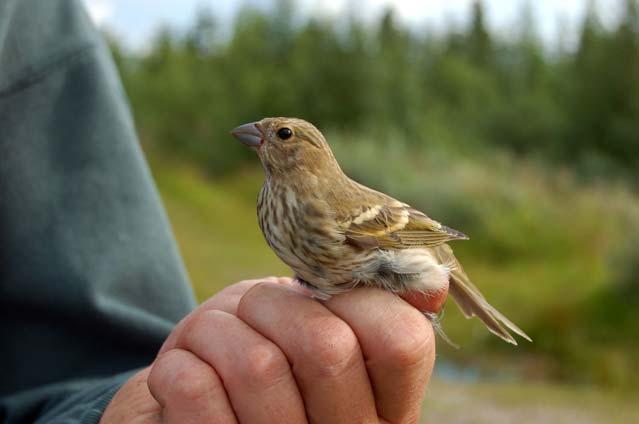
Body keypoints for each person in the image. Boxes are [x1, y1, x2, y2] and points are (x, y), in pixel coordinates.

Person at [0, 1, 436, 422]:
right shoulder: (272, 204)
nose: (257, 136)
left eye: (280, 134)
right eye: (265, 133)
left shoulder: (33, 25)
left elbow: (88, 350)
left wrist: (114, 411)